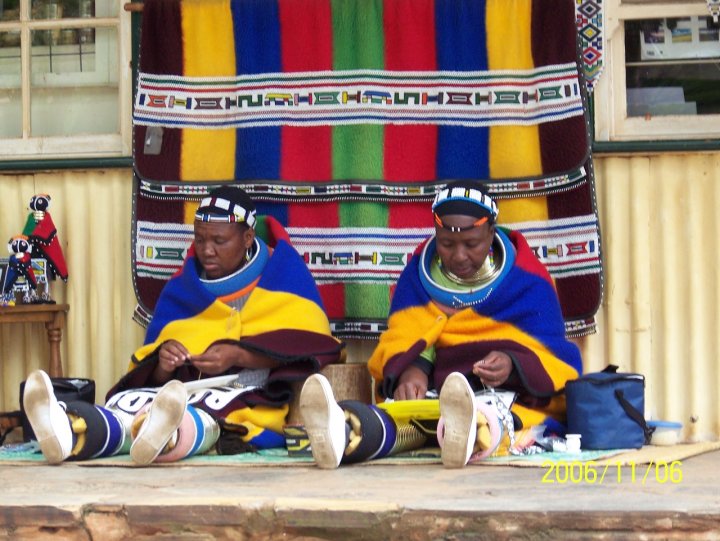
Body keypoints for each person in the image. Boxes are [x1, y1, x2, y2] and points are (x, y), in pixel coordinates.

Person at [24, 186, 343, 465]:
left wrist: (239, 355)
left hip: (248, 398)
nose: (206, 250)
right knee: (127, 404)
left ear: (248, 238)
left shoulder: (284, 274)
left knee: (201, 418)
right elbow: (150, 370)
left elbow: (310, 346)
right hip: (177, 393)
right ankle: (66, 430)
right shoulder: (184, 287)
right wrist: (163, 364)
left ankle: (158, 434)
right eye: (200, 239)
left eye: (219, 241)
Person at [299, 180, 582, 469]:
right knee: (395, 419)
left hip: (505, 398)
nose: (458, 255)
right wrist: (413, 370)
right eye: (446, 244)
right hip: (436, 396)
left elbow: (552, 354)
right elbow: (406, 336)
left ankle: (470, 434)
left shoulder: (526, 280)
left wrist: (513, 364)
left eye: (471, 244)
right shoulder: (417, 275)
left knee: (496, 420)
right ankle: (343, 431)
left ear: (491, 232)